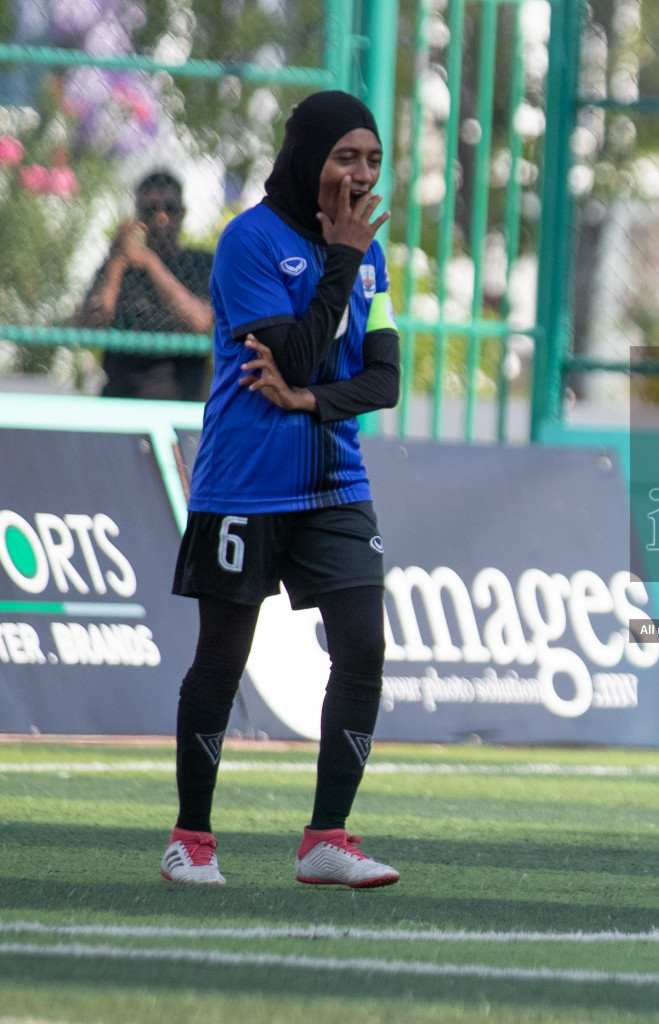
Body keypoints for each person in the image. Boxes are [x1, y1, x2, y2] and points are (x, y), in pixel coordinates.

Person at [161, 91, 402, 888]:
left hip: (335, 478)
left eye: (371, 159)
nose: (361, 175)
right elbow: (293, 355)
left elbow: (384, 380)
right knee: (222, 659)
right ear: (307, 159)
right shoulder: (249, 242)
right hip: (245, 483)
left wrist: (309, 403)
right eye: (345, 158)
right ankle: (191, 839)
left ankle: (327, 839)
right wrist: (338, 258)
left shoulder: (370, 249)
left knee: (364, 647)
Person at [77, 171, 215, 401]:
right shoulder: (120, 266)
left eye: (169, 209)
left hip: (180, 396)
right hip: (122, 396)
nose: (160, 218)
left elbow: (199, 321)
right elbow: (90, 325)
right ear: (138, 216)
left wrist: (152, 264)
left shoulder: (200, 263)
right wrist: (117, 261)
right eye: (150, 210)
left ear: (182, 214)